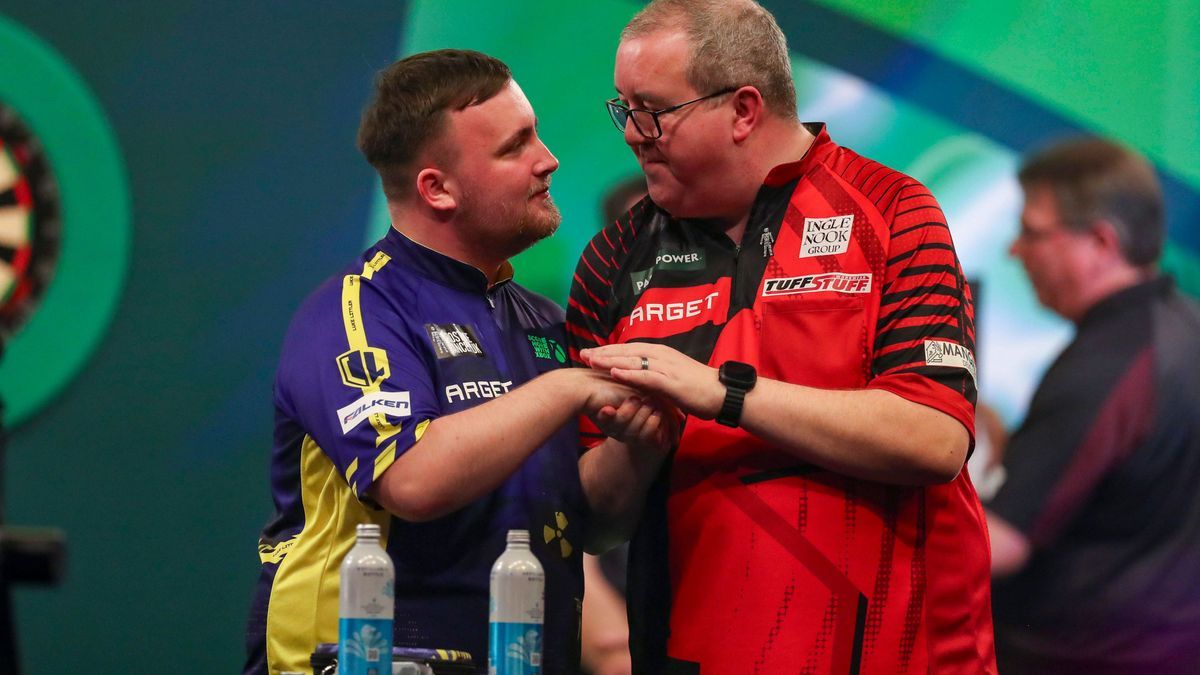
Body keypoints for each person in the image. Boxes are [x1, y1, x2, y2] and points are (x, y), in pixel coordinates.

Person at [566, 1, 995, 672]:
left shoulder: (893, 212)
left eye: (653, 111)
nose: (632, 134)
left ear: (743, 110)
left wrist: (724, 394)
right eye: (625, 109)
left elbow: (935, 437)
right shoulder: (614, 257)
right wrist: (636, 447)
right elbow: (593, 522)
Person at [243, 49, 676, 675]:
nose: (548, 159)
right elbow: (412, 481)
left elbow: (587, 526)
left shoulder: (543, 321)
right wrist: (568, 388)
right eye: (515, 146)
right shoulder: (355, 311)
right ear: (437, 189)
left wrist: (636, 445)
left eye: (535, 134)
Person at [987, 137, 1200, 673]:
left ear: (1102, 242)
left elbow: (1002, 543)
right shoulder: (1183, 327)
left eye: (1032, 232)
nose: (1015, 250)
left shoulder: (1104, 365)